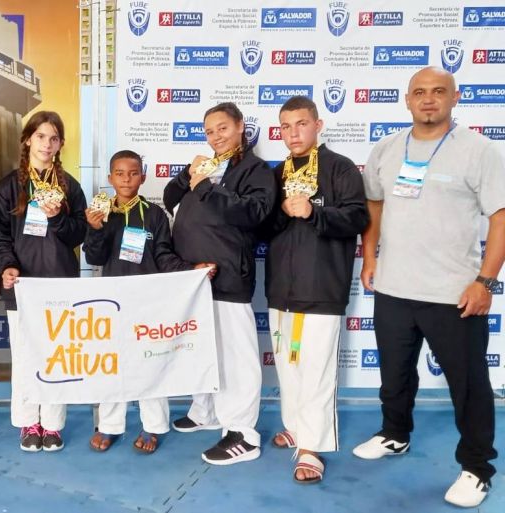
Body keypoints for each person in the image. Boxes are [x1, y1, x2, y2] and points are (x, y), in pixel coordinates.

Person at [354, 66, 504, 508]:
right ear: (407, 100)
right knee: (394, 375)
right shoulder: (387, 148)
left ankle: (477, 468)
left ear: (455, 98)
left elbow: (500, 218)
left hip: (453, 294)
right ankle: (395, 434)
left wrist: (485, 281)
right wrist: (370, 257)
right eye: (419, 92)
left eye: (439, 91)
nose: (428, 99)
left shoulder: (480, 151)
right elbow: (374, 204)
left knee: (469, 386)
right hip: (394, 289)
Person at [163, 102, 276, 465]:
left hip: (228, 276)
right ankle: (206, 412)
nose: (215, 137)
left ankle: (243, 433)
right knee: (202, 350)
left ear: (241, 126)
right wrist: (188, 176)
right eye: (209, 131)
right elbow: (169, 199)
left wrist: (206, 188)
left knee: (235, 358)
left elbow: (254, 213)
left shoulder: (255, 169)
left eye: (222, 128)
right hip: (194, 278)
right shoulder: (207, 165)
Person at [263, 96, 368, 483]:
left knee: (316, 371)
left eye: (301, 124)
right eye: (285, 126)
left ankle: (312, 447)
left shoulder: (340, 167)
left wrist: (314, 212)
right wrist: (281, 212)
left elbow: (358, 217)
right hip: (281, 289)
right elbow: (263, 227)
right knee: (288, 367)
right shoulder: (277, 174)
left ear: (318, 125)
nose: (293, 133)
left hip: (322, 287)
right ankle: (295, 426)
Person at [83, 150, 213, 454]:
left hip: (149, 301)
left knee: (151, 363)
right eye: (119, 173)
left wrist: (191, 270)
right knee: (112, 364)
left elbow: (164, 256)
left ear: (143, 177)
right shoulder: (100, 213)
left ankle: (153, 426)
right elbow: (94, 258)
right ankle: (109, 425)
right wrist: (96, 229)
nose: (126, 179)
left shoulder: (155, 215)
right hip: (113, 301)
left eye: (133, 173)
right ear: (110, 178)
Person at [0, 111, 87, 452]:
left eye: (54, 138)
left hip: (60, 284)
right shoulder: (9, 186)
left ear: (61, 144)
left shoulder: (70, 186)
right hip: (23, 286)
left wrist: (58, 217)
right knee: (25, 358)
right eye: (41, 136)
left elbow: (79, 234)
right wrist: (7, 265)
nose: (47, 144)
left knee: (57, 358)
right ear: (28, 139)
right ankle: (28, 422)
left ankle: (53, 424)